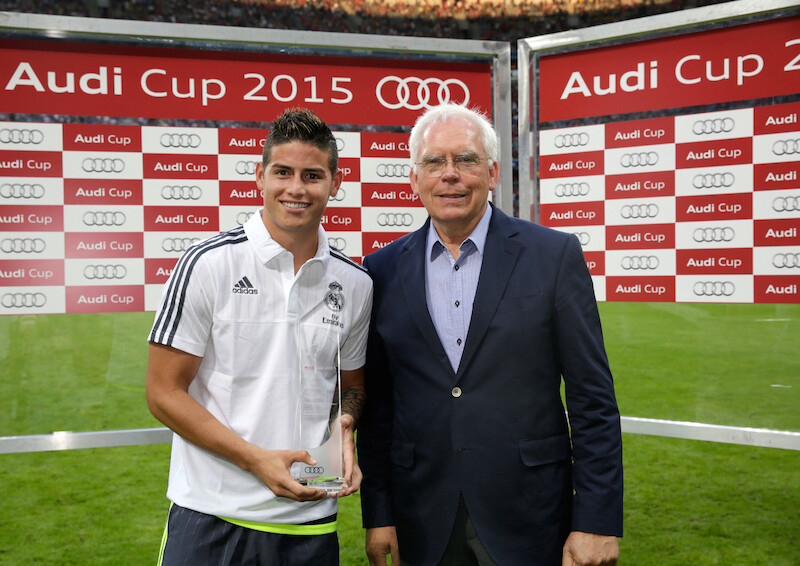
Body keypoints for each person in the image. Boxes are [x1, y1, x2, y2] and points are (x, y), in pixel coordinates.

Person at [357, 103, 623, 566]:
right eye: (434, 162)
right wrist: (379, 515)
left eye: (466, 159)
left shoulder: (553, 255)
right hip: (421, 519)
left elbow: (592, 400)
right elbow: (379, 410)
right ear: (414, 178)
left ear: (493, 172)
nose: (450, 174)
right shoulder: (381, 269)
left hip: (530, 515)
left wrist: (597, 521)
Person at [146, 108, 373, 566]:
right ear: (259, 176)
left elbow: (350, 386)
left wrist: (345, 426)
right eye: (282, 172)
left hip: (311, 519)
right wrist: (254, 459)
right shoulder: (207, 263)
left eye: (312, 175)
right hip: (212, 516)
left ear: (335, 182)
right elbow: (163, 392)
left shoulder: (355, 283)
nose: (296, 188)